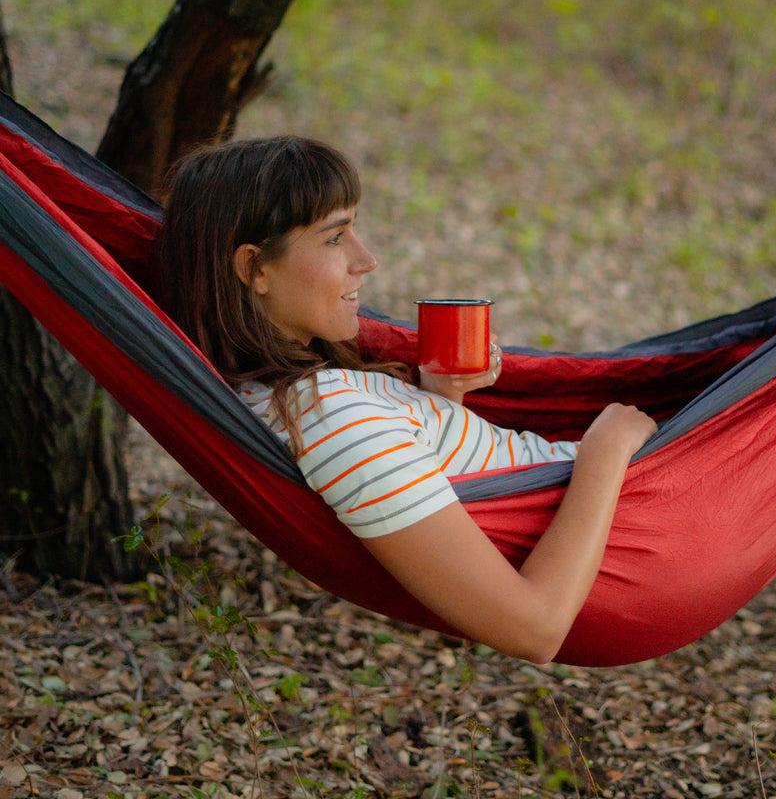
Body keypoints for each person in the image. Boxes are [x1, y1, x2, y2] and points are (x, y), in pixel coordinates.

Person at [159, 135, 656, 663]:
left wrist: (439, 404)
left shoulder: (304, 393)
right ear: (255, 269)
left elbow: (432, 483)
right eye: (334, 238)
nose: (366, 259)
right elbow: (536, 628)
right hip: (636, 515)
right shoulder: (328, 417)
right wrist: (605, 448)